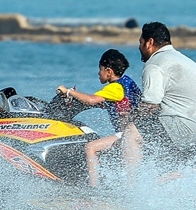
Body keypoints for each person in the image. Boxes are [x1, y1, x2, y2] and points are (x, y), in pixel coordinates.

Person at [131, 21, 196, 155]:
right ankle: (172, 166)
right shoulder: (182, 59)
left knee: (132, 130)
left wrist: (130, 118)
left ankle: (131, 176)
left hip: (189, 129)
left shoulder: (154, 64)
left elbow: (150, 105)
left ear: (149, 42)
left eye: (140, 42)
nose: (139, 47)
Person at [56, 49, 142, 187]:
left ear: (109, 71)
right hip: (137, 132)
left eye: (100, 69)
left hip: (128, 134)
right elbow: (116, 102)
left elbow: (91, 100)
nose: (98, 73)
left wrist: (69, 92)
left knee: (91, 147)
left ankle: (94, 188)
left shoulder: (115, 87)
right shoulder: (127, 82)